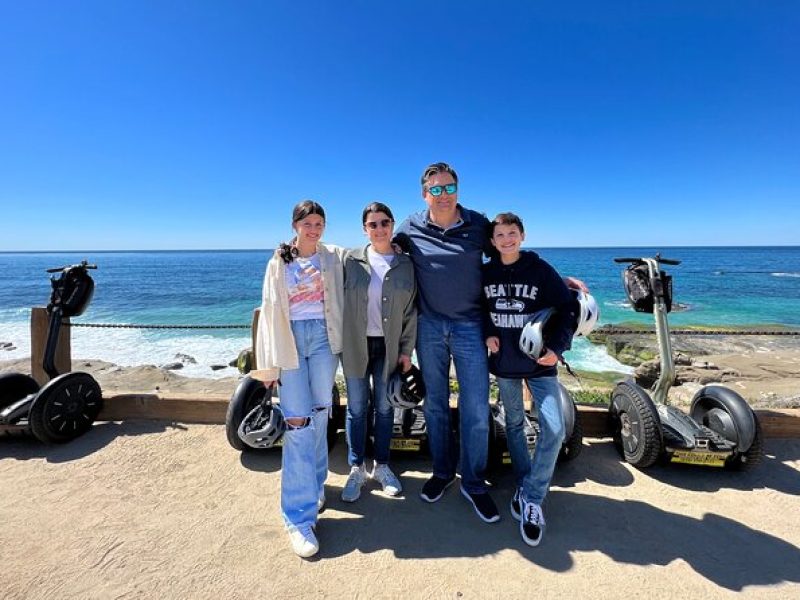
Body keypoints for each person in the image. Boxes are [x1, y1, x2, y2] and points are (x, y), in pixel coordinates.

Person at [394, 162, 501, 523]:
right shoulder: (410, 227)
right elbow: (382, 256)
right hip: (429, 326)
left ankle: (473, 482)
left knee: (475, 407)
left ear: (458, 188)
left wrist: (556, 280)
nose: (443, 195)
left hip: (471, 326)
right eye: (436, 189)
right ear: (425, 194)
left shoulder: (478, 224)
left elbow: (506, 256)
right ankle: (442, 473)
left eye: (449, 187)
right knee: (436, 404)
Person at [252, 200, 345, 558]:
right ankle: (298, 517)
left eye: (319, 222)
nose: (314, 228)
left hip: (324, 339)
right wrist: (266, 367)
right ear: (295, 225)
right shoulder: (279, 261)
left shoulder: (332, 256)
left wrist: (396, 246)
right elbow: (268, 309)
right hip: (289, 341)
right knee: (297, 422)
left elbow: (367, 255)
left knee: (321, 415)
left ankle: (316, 485)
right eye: (307, 222)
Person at [482, 212, 576, 547]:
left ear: (522, 235)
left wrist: (558, 348)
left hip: (540, 366)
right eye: (500, 235)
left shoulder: (541, 270)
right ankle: (524, 483)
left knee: (555, 428)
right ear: (492, 241)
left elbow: (567, 310)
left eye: (512, 233)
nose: (506, 239)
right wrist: (488, 333)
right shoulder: (486, 271)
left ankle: (533, 496)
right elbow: (477, 308)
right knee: (514, 425)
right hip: (505, 365)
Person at [340, 202, 417, 502]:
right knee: (357, 408)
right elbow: (318, 256)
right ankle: (356, 468)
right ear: (365, 229)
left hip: (389, 347)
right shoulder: (350, 260)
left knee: (385, 409)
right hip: (355, 345)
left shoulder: (405, 264)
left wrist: (406, 351)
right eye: (373, 224)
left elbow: (411, 312)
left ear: (392, 225)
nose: (380, 228)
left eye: (385, 223)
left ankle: (382, 466)